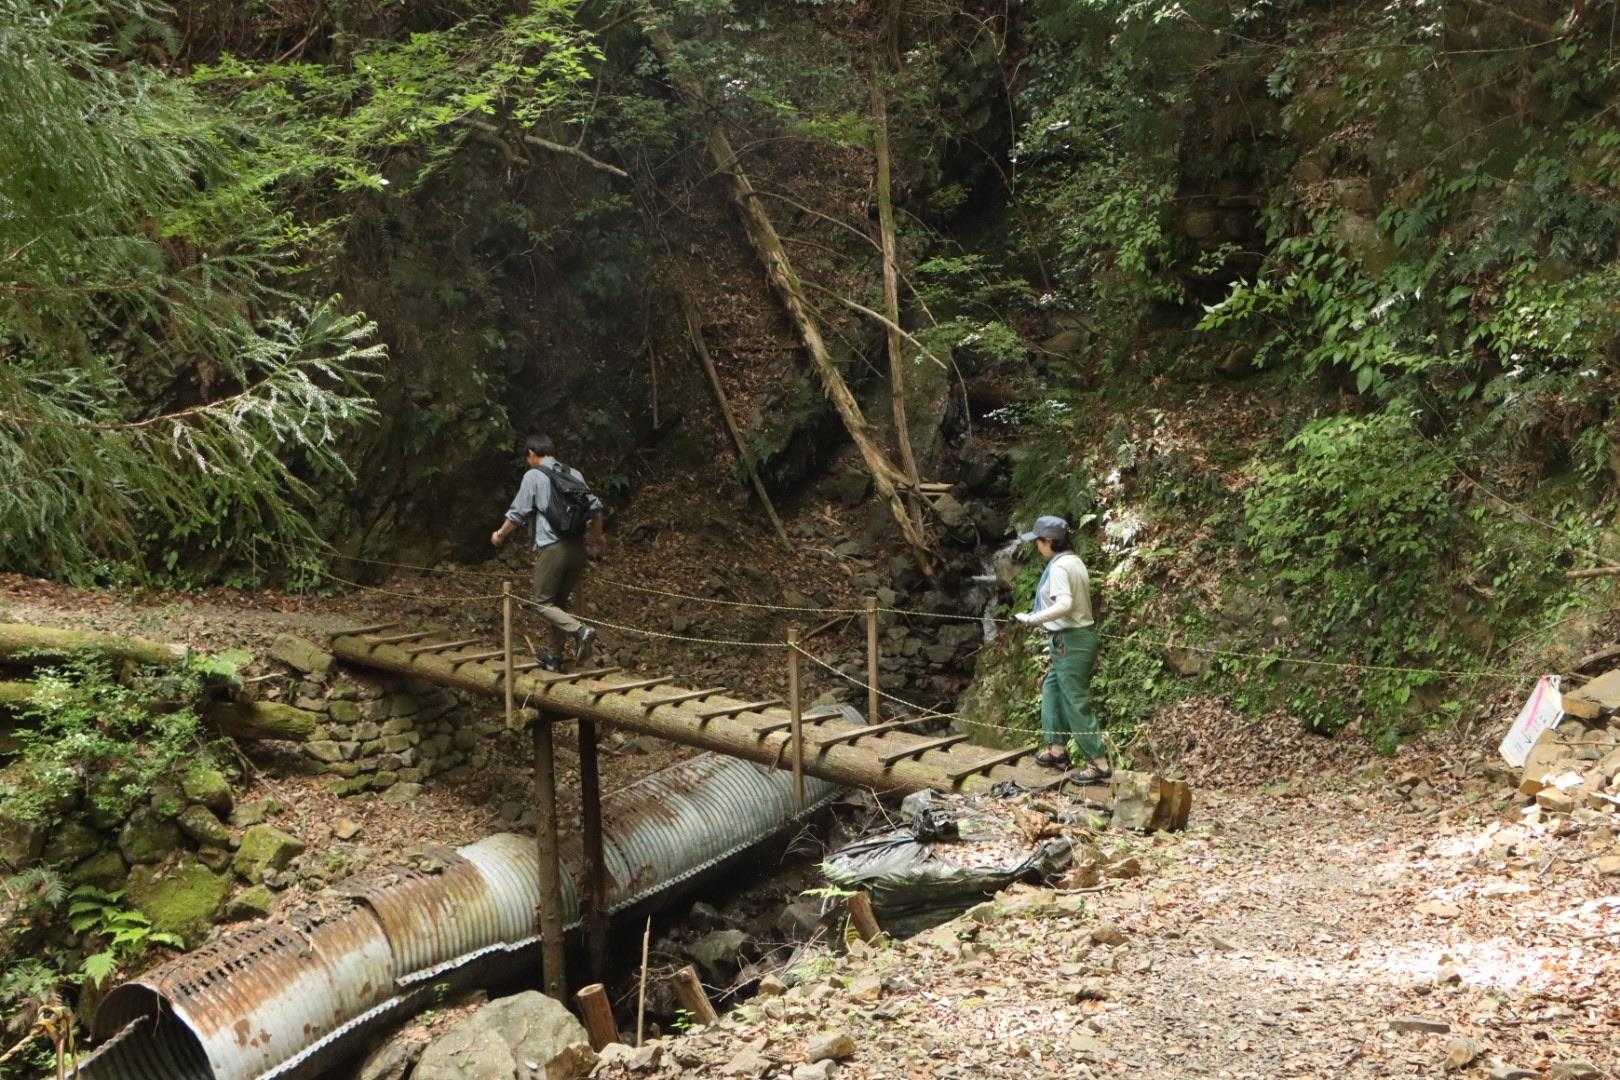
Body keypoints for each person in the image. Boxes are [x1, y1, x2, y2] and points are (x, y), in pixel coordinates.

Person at [491, 434, 605, 671]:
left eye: (528, 458)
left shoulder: (533, 475)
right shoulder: (574, 474)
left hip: (552, 549)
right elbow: (595, 508)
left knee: (542, 603)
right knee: (558, 605)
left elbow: (518, 513)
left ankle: (581, 631)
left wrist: (499, 534)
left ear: (532, 453)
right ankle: (555, 657)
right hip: (578, 549)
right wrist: (597, 539)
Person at [1014, 515, 1109, 783]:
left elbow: (1065, 604)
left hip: (1072, 641)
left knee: (1075, 701)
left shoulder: (1058, 568)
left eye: (1038, 541)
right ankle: (1057, 751)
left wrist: (1033, 619)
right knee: (1052, 689)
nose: (1037, 546)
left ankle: (1099, 763)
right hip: (1071, 640)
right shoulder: (1073, 560)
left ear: (1049, 541)